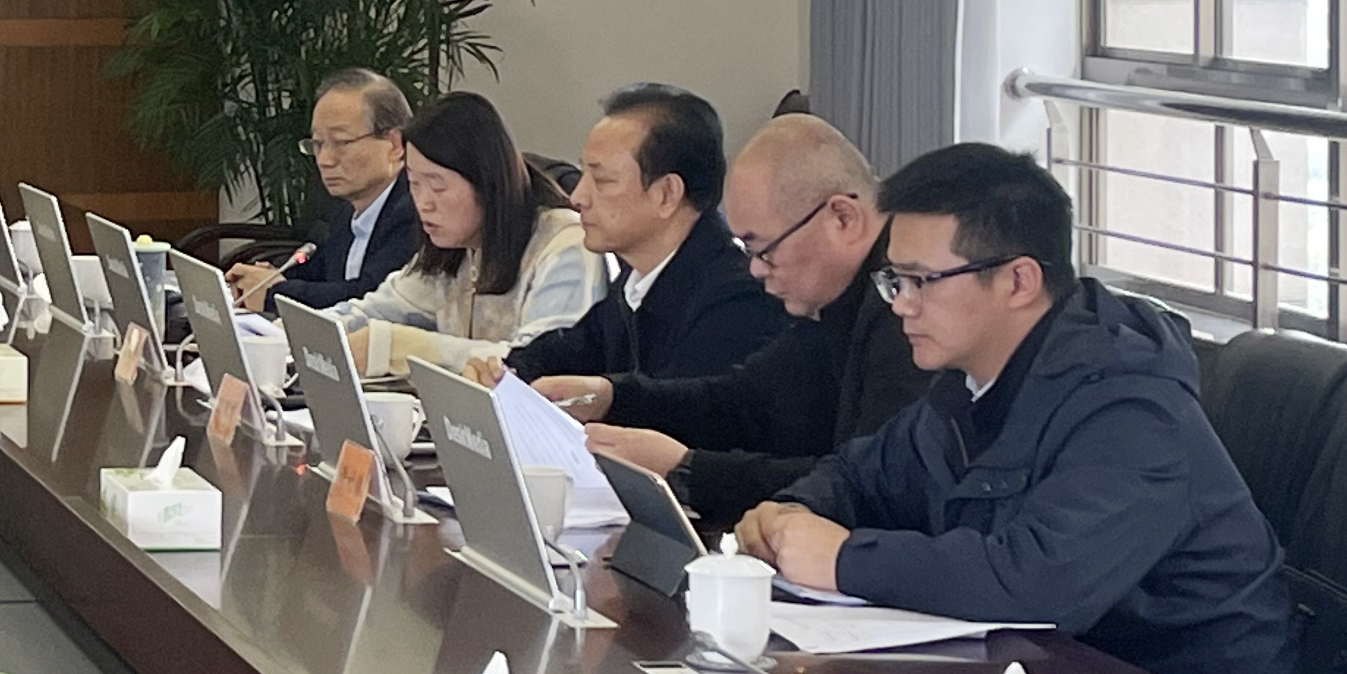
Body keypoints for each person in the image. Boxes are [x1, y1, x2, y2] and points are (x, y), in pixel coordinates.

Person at [735, 143, 1296, 674]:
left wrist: (844, 560)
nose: (901, 304)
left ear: (1018, 281)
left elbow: (1037, 581)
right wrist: (792, 513)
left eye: (921, 281)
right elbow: (863, 474)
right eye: (894, 280)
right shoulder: (968, 385)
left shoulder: (1133, 407)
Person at [536, 115, 930, 523]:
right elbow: (746, 402)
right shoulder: (832, 297)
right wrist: (611, 398)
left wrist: (687, 469)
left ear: (842, 218)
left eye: (764, 249)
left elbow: (872, 487)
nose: (755, 269)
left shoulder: (908, 310)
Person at [508, 84, 790, 388]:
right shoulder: (634, 282)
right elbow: (569, 352)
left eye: (602, 180)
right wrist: (508, 372)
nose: (577, 197)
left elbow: (676, 412)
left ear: (667, 194)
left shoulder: (735, 304)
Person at [323, 91, 596, 378]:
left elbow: (534, 364)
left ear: (487, 182)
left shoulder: (565, 246)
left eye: (438, 187)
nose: (423, 203)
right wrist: (303, 332)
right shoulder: (453, 248)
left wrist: (405, 347)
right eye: (414, 183)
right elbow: (374, 311)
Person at [231, 70, 420, 314]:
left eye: (341, 142)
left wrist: (275, 292)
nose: (324, 160)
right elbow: (319, 274)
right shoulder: (345, 209)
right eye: (318, 144)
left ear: (394, 144)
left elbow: (369, 299)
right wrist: (267, 277)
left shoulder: (417, 211)